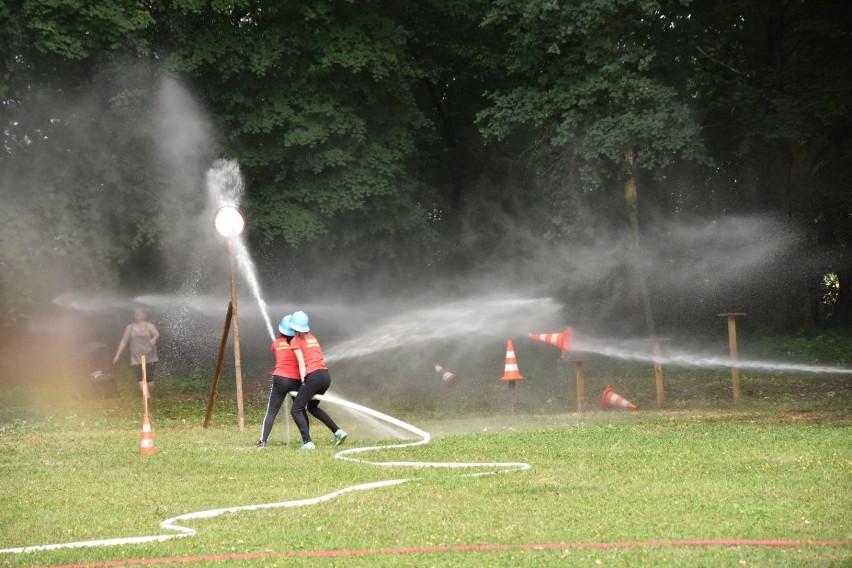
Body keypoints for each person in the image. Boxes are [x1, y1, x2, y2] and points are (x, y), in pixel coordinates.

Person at [288, 310, 346, 450]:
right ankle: (338, 432)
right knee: (312, 407)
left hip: (313, 377)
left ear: (293, 327)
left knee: (296, 409)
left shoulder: (295, 341)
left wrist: (303, 382)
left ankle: (307, 443)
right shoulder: (312, 337)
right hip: (325, 376)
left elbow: (302, 364)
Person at [256, 315, 302, 448]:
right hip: (296, 380)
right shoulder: (298, 343)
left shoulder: (275, 343)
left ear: (281, 330)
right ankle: (307, 440)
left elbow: (277, 348)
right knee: (300, 410)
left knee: (271, 411)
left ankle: (262, 441)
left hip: (280, 379)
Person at [113, 307, 160, 398]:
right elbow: (123, 341)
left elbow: (156, 334)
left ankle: (149, 395)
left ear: (144, 315)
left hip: (150, 356)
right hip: (135, 357)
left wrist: (154, 339)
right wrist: (117, 355)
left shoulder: (149, 325)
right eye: (135, 313)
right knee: (140, 378)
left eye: (139, 312)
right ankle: (146, 396)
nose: (137, 314)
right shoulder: (129, 327)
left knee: (149, 379)